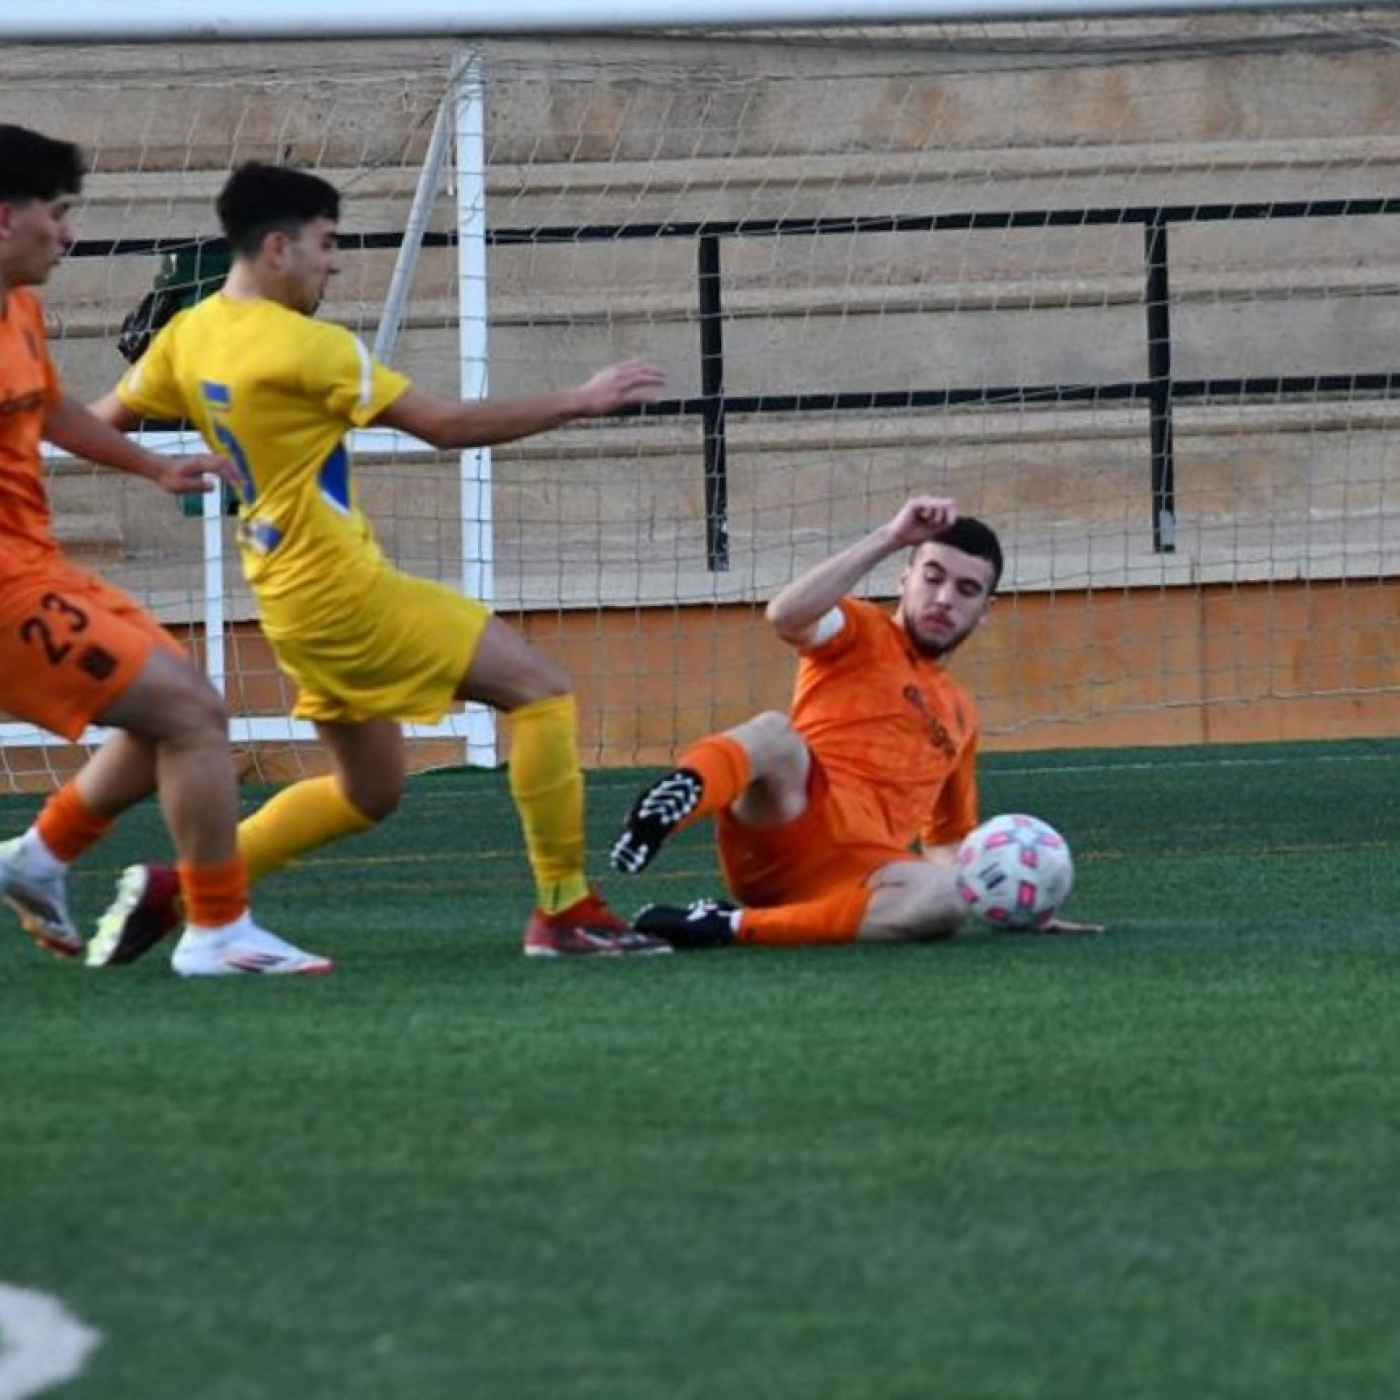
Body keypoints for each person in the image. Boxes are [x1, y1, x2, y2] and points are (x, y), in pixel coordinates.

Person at [83, 161, 671, 963]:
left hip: (284, 602)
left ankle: (183, 889)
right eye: (327, 244)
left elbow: (94, 422)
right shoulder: (313, 347)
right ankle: (566, 910)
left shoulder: (188, 334)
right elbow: (445, 426)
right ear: (279, 247)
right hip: (343, 592)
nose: (335, 263)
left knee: (369, 791)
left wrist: (147, 465)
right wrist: (580, 399)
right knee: (539, 691)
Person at [0, 125, 330, 977]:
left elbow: (50, 408)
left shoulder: (18, 306)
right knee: (190, 712)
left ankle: (38, 858)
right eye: (57, 213)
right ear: (5, 217)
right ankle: (216, 930)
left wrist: (151, 463)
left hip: (34, 562)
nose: (68, 234)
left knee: (180, 707)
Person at [609, 495, 1100, 948]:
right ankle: (670, 805)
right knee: (774, 734)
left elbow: (948, 842)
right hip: (786, 822)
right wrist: (891, 536)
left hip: (862, 875)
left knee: (947, 900)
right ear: (904, 579)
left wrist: (1013, 902)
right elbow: (785, 616)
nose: (945, 598)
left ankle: (725, 926)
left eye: (966, 589)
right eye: (932, 577)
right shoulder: (860, 628)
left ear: (985, 610)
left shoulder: (961, 714)